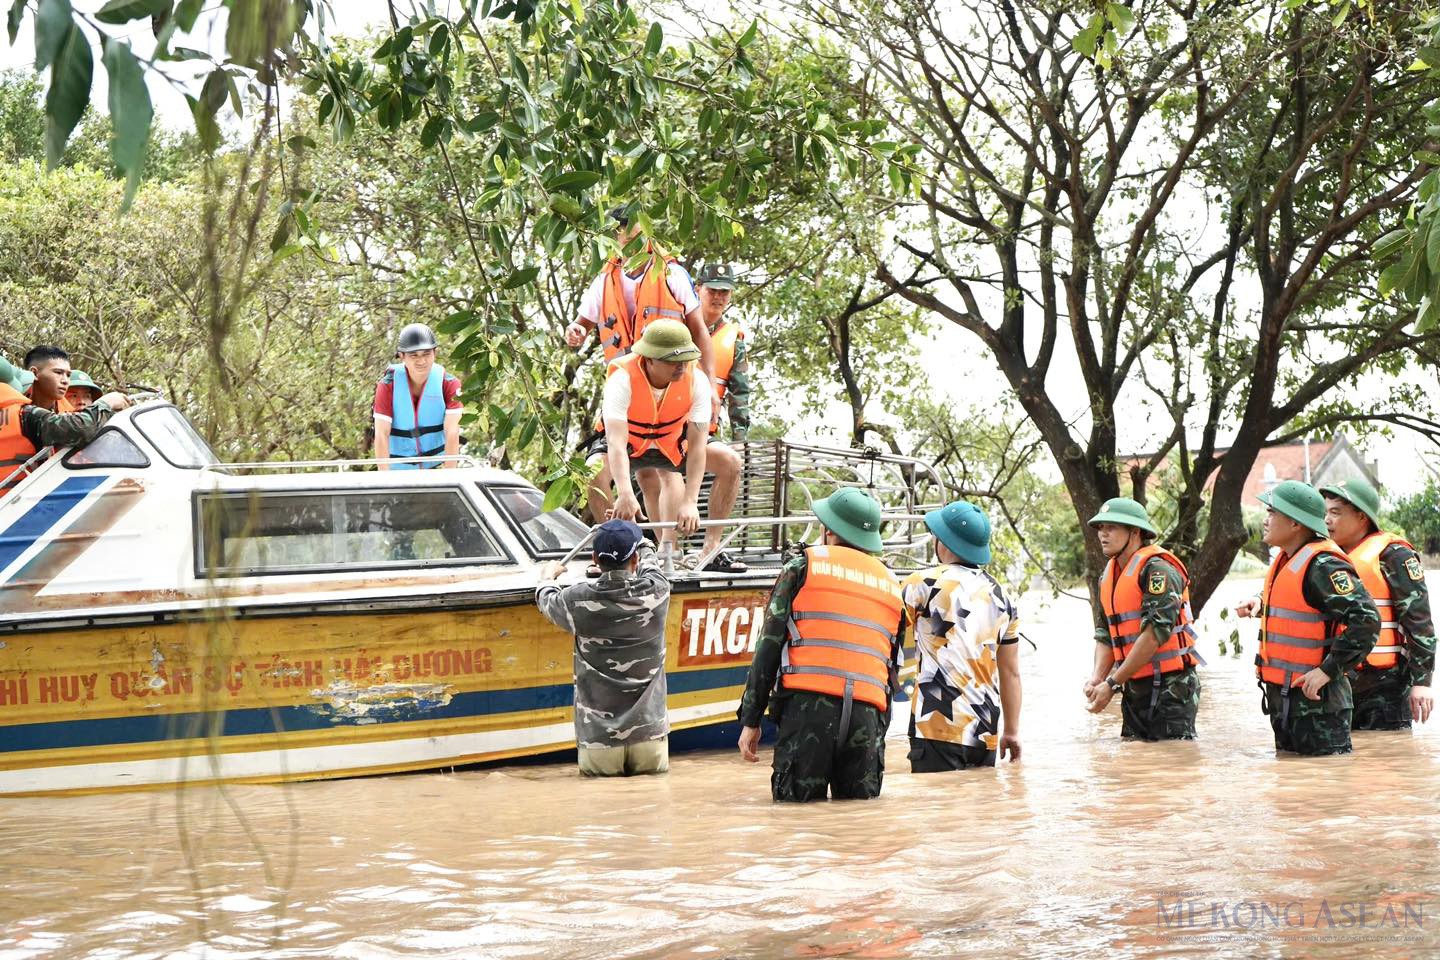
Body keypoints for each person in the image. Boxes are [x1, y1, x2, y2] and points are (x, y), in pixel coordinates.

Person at [736, 488, 906, 802]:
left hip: (808, 711)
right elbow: (891, 668)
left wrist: (751, 719)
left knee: (795, 820)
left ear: (829, 530)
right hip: (867, 718)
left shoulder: (802, 567)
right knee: (858, 826)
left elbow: (769, 647)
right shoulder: (892, 584)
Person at [570, 209, 714, 525]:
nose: (630, 241)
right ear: (614, 238)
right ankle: (617, 541)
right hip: (630, 382)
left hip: (670, 382)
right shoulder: (604, 279)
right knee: (616, 468)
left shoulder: (671, 274)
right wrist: (576, 331)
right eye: (623, 235)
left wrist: (710, 381)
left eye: (637, 234)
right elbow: (581, 324)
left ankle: (668, 549)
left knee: (665, 469)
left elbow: (699, 329)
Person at [1237, 480, 1379, 756]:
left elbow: (1367, 620)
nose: (1266, 520)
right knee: (1293, 789)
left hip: (1318, 705)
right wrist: (1260, 603)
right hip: (1286, 699)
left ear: (1295, 524)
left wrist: (1328, 670)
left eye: (1272, 513)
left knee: (1326, 789)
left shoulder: (1323, 565)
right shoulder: (1288, 559)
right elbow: (1302, 606)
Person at [535, 519, 670, 777]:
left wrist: (547, 576)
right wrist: (640, 540)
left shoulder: (576, 600)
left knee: (600, 812)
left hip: (599, 741)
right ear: (635, 561)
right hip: (650, 736)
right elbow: (650, 557)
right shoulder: (657, 591)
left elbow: (546, 598)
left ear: (595, 559)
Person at [903, 500, 1022, 771]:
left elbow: (889, 634)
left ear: (943, 542)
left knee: (936, 808)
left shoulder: (922, 583)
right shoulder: (1002, 596)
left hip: (935, 725)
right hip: (985, 729)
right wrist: (1012, 731)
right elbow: (1011, 671)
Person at [1082, 497, 1204, 740]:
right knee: (1134, 765)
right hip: (1134, 687)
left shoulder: (1159, 571)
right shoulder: (1108, 576)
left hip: (1172, 688)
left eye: (1111, 527)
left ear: (1135, 531)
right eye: (1100, 528)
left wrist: (1113, 683)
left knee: (1172, 764)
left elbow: (1154, 635)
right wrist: (1098, 678)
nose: (1102, 534)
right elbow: (1106, 634)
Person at [1320, 478, 1435, 729]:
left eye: (1335, 512)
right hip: (1339, 683)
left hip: (1386, 686)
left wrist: (1422, 683)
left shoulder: (1394, 556)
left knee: (1387, 759)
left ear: (1362, 517)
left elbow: (1419, 621)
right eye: (1325, 512)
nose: (1327, 519)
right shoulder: (1326, 558)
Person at [602, 320, 710, 555]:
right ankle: (613, 548)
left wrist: (691, 501)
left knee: (726, 461)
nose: (681, 366)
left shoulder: (697, 380)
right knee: (594, 471)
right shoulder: (622, 378)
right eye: (672, 360)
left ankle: (675, 547)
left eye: (684, 359)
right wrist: (625, 494)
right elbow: (615, 443)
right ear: (649, 359)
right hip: (631, 442)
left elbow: (698, 447)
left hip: (670, 441)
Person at [2, 379, 131, 486]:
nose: (82, 402)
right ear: (57, 399)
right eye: (73, 395)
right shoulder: (38, 428)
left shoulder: (109, 435)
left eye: (87, 396)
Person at [372, 323, 462, 470]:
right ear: (402, 356)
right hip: (398, 471)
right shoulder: (387, 385)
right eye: (414, 355)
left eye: (426, 354)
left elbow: (452, 432)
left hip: (436, 468)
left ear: (435, 352)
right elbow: (382, 434)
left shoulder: (450, 384)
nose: (421, 361)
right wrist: (386, 480)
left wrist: (449, 476)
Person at [23, 345, 76, 413]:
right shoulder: (11, 406)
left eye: (68, 375)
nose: (65, 381)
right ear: (34, 373)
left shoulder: (71, 416)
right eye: (58, 372)